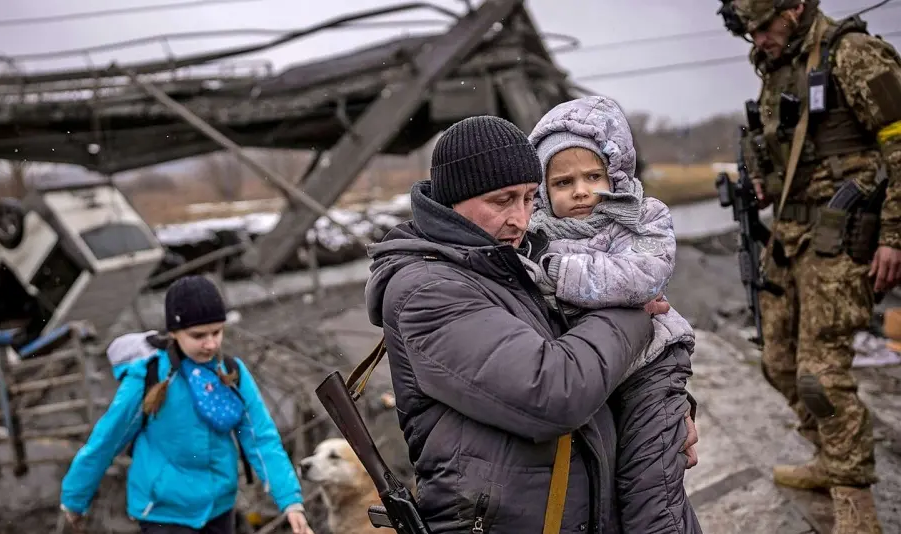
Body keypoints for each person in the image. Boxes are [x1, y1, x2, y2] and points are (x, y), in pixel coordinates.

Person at [364, 115, 698, 533]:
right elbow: (554, 390)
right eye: (503, 200)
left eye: (528, 198)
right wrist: (631, 308)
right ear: (454, 199)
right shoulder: (427, 290)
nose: (520, 219)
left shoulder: (511, 259)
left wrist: (661, 412)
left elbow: (597, 366)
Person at [717, 0, 901, 531]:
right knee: (776, 360)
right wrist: (759, 182)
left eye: (762, 28)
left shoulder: (854, 54)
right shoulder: (778, 66)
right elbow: (789, 156)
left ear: (795, 8)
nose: (756, 41)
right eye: (748, 32)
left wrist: (894, 235)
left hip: (842, 236)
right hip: (790, 237)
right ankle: (830, 456)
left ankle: (854, 502)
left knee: (820, 376)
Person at [521, 95, 701, 533]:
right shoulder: (534, 235)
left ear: (613, 174)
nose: (581, 191)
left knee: (650, 490)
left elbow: (640, 277)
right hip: (594, 372)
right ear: (544, 190)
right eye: (563, 183)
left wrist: (558, 274)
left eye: (593, 177)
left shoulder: (642, 218)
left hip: (650, 366)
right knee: (603, 497)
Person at [59, 275, 314, 534]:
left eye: (217, 332)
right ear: (174, 332)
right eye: (198, 335)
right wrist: (75, 497)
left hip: (218, 509)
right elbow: (107, 439)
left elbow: (261, 439)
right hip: (163, 512)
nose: (211, 343)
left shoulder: (231, 372)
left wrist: (290, 501)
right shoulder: (150, 376)